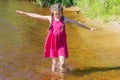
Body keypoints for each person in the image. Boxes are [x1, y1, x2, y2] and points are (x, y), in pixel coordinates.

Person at [16, 3, 96, 73]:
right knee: (54, 64)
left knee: (62, 63)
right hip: (52, 43)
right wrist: (24, 13)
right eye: (56, 14)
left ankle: (61, 76)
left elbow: (77, 23)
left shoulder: (64, 19)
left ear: (62, 12)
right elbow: (37, 16)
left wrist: (89, 28)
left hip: (61, 44)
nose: (58, 16)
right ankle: (54, 76)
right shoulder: (50, 19)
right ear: (53, 13)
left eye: (59, 14)